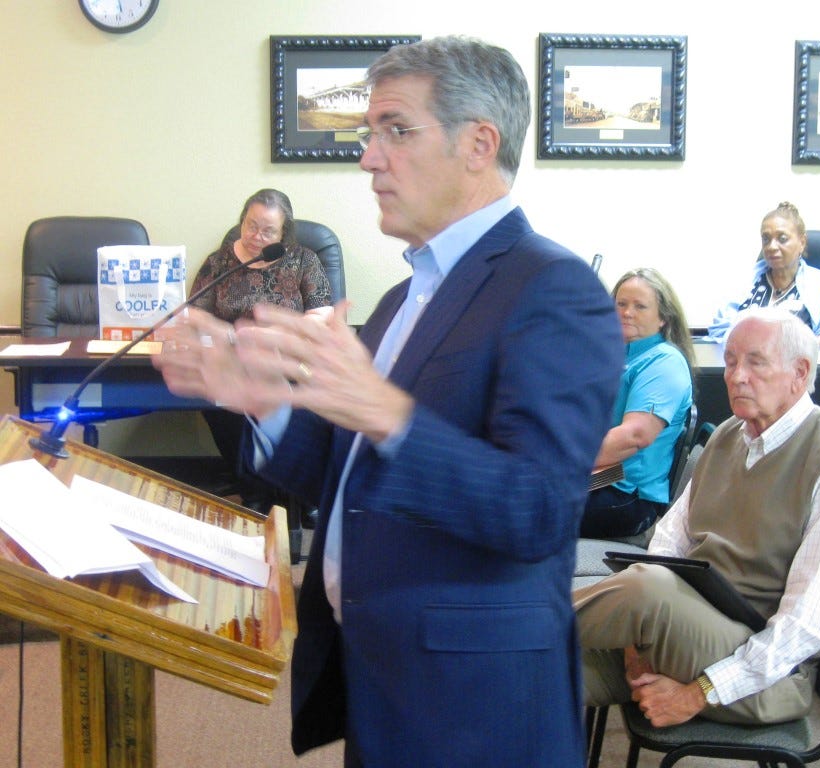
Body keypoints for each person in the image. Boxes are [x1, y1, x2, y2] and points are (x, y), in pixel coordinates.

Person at [153, 36, 623, 767]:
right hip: (381, 677)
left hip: (476, 710)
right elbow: (353, 477)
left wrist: (388, 414)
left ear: (478, 144)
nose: (369, 158)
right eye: (370, 133)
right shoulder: (405, 296)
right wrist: (265, 404)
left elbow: (538, 512)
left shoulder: (553, 288)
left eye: (396, 130)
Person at [575, 305, 820, 728]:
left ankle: (506, 616)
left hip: (760, 670)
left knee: (648, 587)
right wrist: (632, 642)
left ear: (799, 373)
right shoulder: (727, 435)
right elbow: (670, 539)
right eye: (731, 361)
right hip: (681, 630)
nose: (737, 376)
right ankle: (504, 634)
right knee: (532, 669)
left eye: (756, 363)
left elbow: (806, 627)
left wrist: (697, 693)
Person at [191, 188, 331, 512]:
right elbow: (196, 314)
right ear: (241, 222)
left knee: (296, 394)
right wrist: (230, 335)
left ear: (284, 233)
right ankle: (253, 488)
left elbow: (321, 315)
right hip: (234, 358)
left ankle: (296, 487)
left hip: (289, 358)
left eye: (268, 231)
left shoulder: (303, 260)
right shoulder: (219, 262)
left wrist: (276, 335)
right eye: (251, 225)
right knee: (221, 392)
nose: (257, 236)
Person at [580, 268, 694, 539]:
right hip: (601, 478)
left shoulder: (663, 362)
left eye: (640, 306)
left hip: (627, 495)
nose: (627, 312)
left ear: (663, 318)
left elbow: (634, 436)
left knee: (519, 507)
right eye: (621, 304)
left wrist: (562, 461)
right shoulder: (615, 355)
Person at [708, 201, 820, 346]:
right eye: (766, 239)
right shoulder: (746, 280)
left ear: (802, 242)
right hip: (746, 360)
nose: (772, 246)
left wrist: (802, 347)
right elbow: (720, 329)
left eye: (782, 239)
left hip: (799, 361)